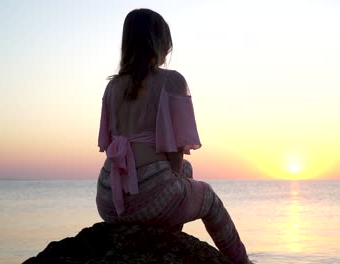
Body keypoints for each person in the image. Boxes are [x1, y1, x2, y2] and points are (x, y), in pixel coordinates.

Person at [95, 8, 251, 264]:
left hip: (109, 200)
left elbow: (111, 143)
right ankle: (241, 261)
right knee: (208, 197)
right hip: (147, 195)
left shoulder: (112, 86)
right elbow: (175, 151)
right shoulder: (172, 81)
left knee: (186, 171)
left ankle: (164, 236)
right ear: (159, 42)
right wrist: (171, 189)